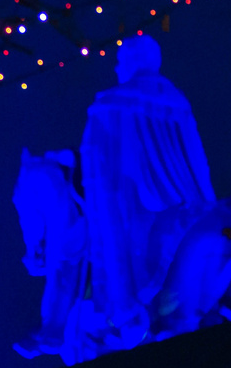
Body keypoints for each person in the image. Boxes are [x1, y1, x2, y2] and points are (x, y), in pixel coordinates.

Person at [79, 35, 215, 351]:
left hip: (139, 216)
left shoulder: (108, 105)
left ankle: (124, 312)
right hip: (194, 207)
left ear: (132, 61)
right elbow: (200, 164)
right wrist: (210, 206)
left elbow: (100, 182)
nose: (116, 66)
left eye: (119, 59)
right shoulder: (180, 103)